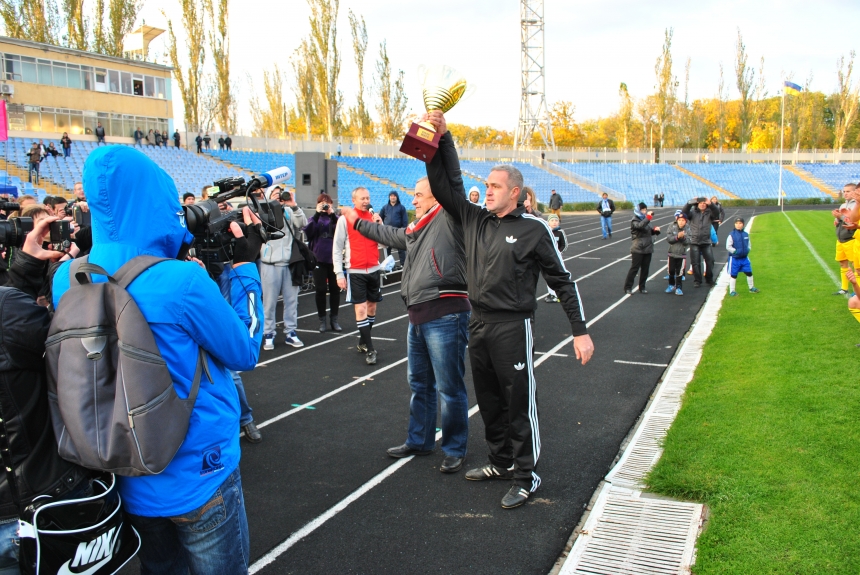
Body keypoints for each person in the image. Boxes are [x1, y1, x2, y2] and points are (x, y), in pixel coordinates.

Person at [51, 146, 264, 574]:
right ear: (157, 199)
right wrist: (245, 267)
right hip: (199, 472)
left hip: (124, 470)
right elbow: (244, 349)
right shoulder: (180, 280)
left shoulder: (67, 278)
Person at [422, 110, 593, 509]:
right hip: (477, 323)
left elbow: (562, 281)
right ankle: (499, 461)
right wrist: (442, 140)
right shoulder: (475, 220)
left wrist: (579, 330)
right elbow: (444, 184)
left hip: (513, 327)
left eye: (496, 186)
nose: (489, 190)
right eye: (488, 184)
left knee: (518, 402)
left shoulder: (535, 229)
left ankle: (525, 474)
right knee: (489, 399)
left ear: (515, 192)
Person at [342, 176, 471, 473]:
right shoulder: (417, 227)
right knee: (420, 384)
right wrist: (358, 222)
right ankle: (420, 440)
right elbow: (389, 234)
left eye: (418, 195)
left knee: (450, 388)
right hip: (418, 315)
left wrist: (438, 143)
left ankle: (454, 448)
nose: (412, 201)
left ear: (437, 197)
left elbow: (450, 179)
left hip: (445, 313)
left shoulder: (450, 217)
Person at [0, 216, 94, 573]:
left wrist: (22, 272)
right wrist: (71, 275)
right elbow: (76, 349)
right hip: (28, 504)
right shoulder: (6, 312)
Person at [333, 187, 383, 366]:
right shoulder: (344, 220)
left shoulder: (374, 217)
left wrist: (380, 225)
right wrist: (339, 273)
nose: (366, 201)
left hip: (374, 270)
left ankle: (363, 340)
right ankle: (370, 349)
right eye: (362, 198)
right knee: (360, 309)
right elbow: (337, 248)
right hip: (355, 270)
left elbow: (384, 243)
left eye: (368, 198)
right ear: (353, 200)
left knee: (372, 308)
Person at [260, 189, 308, 351]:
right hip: (269, 263)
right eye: (275, 194)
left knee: (291, 300)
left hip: (289, 262)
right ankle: (268, 333)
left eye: (281, 194)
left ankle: (291, 331)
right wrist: (271, 205)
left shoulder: (288, 211)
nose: (279, 196)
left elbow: (302, 224)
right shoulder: (263, 212)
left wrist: (293, 205)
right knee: (269, 302)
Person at [304, 193, 343, 333]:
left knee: (335, 289)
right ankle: (322, 319)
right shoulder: (314, 218)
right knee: (320, 290)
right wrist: (316, 214)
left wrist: (332, 215)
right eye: (323, 203)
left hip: (334, 258)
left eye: (328, 203)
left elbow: (340, 230)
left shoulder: (336, 219)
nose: (326, 206)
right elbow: (308, 232)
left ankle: (334, 319)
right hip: (319, 258)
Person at [624, 203, 661, 294]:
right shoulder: (635, 220)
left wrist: (655, 231)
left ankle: (642, 287)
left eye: (645, 209)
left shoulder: (645, 219)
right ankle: (628, 287)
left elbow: (647, 231)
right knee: (634, 268)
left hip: (648, 247)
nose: (644, 211)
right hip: (638, 247)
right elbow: (639, 227)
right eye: (642, 210)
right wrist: (648, 218)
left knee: (645, 269)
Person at [682, 196, 719, 288]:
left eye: (704, 203)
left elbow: (717, 212)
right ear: (697, 204)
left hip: (706, 241)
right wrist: (690, 202)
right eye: (700, 203)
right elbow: (684, 212)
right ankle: (697, 280)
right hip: (694, 241)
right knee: (695, 262)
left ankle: (709, 279)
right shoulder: (692, 213)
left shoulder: (710, 213)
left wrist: (710, 203)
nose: (702, 205)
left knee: (710, 261)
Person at [726, 217, 759, 297]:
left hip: (744, 258)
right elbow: (728, 246)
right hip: (734, 259)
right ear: (734, 224)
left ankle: (751, 288)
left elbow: (749, 245)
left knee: (749, 273)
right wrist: (735, 251)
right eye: (737, 223)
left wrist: (747, 250)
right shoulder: (731, 235)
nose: (738, 225)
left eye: (740, 223)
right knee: (734, 275)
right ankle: (732, 291)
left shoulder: (746, 234)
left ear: (743, 224)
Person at [833, 187, 856, 295]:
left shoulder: (856, 205)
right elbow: (840, 220)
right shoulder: (843, 205)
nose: (845, 194)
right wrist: (837, 219)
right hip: (841, 239)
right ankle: (844, 288)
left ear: (855, 191)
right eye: (844, 191)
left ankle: (857, 290)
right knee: (843, 263)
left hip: (851, 239)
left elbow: (852, 221)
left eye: (848, 191)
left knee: (856, 265)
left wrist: (840, 216)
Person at [379, 191, 408, 269]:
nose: (393, 197)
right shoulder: (385, 207)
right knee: (387, 250)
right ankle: (388, 265)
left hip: (398, 231)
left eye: (394, 196)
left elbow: (405, 220)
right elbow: (379, 218)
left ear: (397, 197)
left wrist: (403, 229)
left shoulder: (401, 207)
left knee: (401, 249)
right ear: (389, 197)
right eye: (391, 196)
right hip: (387, 232)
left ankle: (403, 265)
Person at [544, 213, 567, 302]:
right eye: (552, 220)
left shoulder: (560, 232)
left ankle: (559, 293)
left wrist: (557, 253)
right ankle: (552, 294)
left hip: (557, 258)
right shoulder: (546, 231)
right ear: (548, 222)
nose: (554, 222)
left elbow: (564, 245)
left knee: (559, 276)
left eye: (556, 220)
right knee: (548, 276)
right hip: (547, 258)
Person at [665, 212, 690, 295]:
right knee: (671, 270)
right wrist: (677, 237)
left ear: (686, 221)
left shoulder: (688, 229)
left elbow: (688, 242)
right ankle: (671, 285)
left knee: (679, 272)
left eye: (683, 220)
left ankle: (679, 287)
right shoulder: (672, 226)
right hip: (672, 253)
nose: (681, 222)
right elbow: (669, 239)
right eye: (679, 220)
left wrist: (682, 238)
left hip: (681, 254)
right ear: (677, 220)